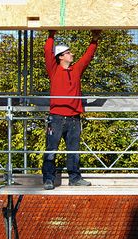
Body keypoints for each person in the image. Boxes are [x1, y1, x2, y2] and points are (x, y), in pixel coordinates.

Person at [42, 29, 101, 189]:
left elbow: (87, 57)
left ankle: (75, 178)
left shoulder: (76, 70)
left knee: (73, 150)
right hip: (56, 117)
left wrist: (94, 40)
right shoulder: (54, 70)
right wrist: (51, 34)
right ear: (60, 56)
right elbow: (48, 52)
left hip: (74, 118)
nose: (72, 55)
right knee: (51, 149)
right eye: (68, 53)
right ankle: (48, 179)